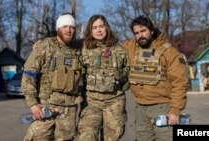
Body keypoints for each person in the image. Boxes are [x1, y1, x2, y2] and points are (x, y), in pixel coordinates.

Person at [123, 16, 189, 141]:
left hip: (163, 108)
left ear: (151, 30)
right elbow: (111, 44)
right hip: (140, 108)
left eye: (143, 31)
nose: (140, 36)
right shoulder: (132, 48)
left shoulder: (169, 52)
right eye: (136, 33)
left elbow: (180, 82)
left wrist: (175, 110)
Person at [21, 13, 82, 141]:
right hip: (45, 107)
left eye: (72, 27)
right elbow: (28, 76)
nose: (68, 30)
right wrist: (33, 104)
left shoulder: (79, 49)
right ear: (57, 28)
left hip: (68, 109)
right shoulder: (44, 46)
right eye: (65, 26)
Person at [77, 14, 129, 141]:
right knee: (87, 136)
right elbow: (63, 47)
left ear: (107, 28)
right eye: (95, 27)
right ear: (90, 30)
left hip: (114, 101)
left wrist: (124, 80)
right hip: (91, 101)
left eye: (101, 26)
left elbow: (129, 69)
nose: (99, 30)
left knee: (112, 137)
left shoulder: (120, 49)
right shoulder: (83, 48)